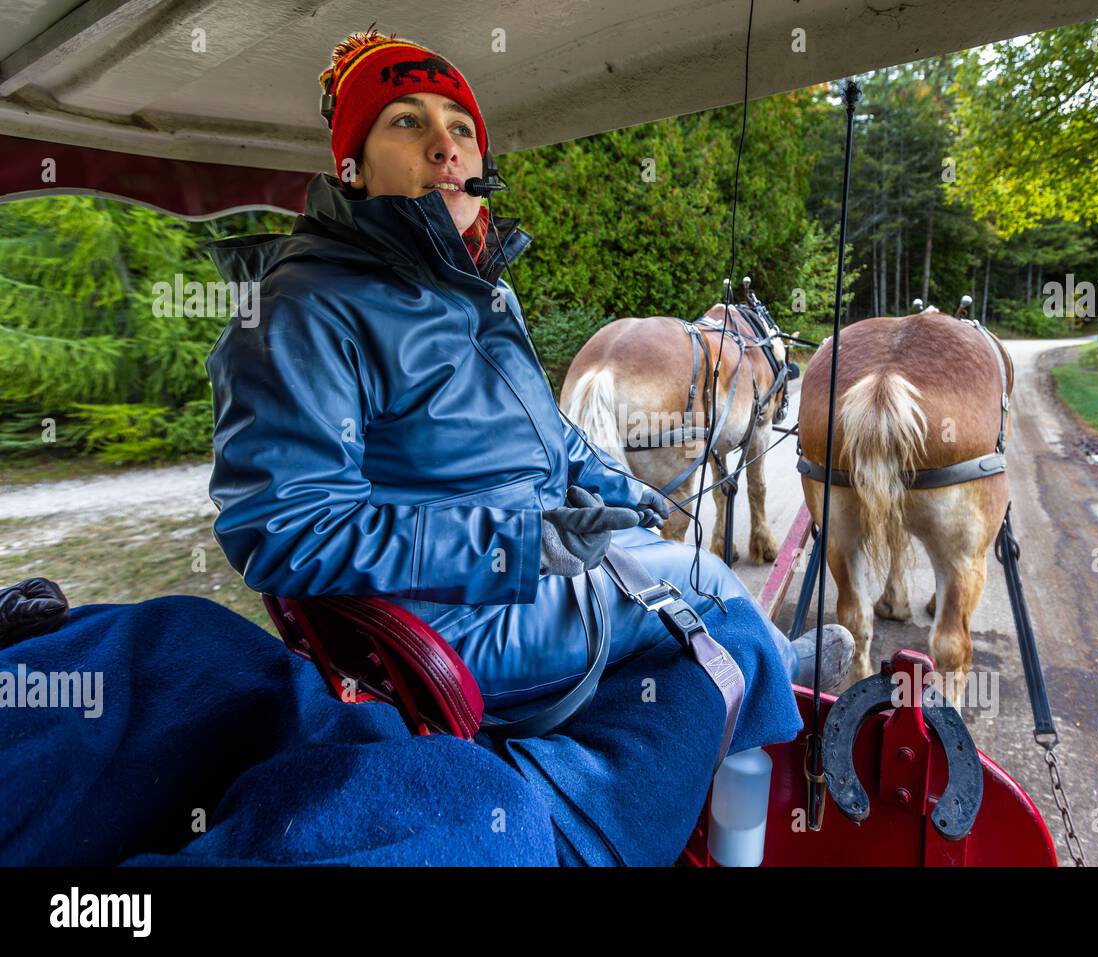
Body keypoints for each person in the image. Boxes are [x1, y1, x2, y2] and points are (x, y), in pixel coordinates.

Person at [204, 27, 852, 724]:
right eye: (405, 122)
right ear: (352, 168)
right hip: (451, 623)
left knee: (686, 563)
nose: (446, 145)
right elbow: (287, 529)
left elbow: (550, 439)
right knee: (713, 587)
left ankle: (767, 660)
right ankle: (777, 695)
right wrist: (512, 537)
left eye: (461, 128)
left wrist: (615, 484)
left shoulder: (480, 290)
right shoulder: (301, 313)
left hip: (525, 573)